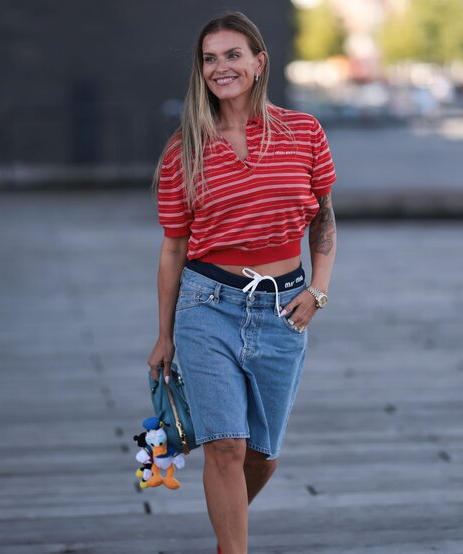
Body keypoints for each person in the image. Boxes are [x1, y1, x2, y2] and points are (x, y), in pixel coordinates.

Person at [147, 11, 336, 554]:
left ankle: (225, 537)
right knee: (223, 447)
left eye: (233, 55)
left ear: (260, 62)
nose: (220, 67)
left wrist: (318, 290)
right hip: (207, 304)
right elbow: (173, 249)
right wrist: (164, 336)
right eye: (210, 58)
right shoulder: (183, 149)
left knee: (262, 454)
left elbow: (322, 216)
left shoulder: (304, 133)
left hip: (285, 309)